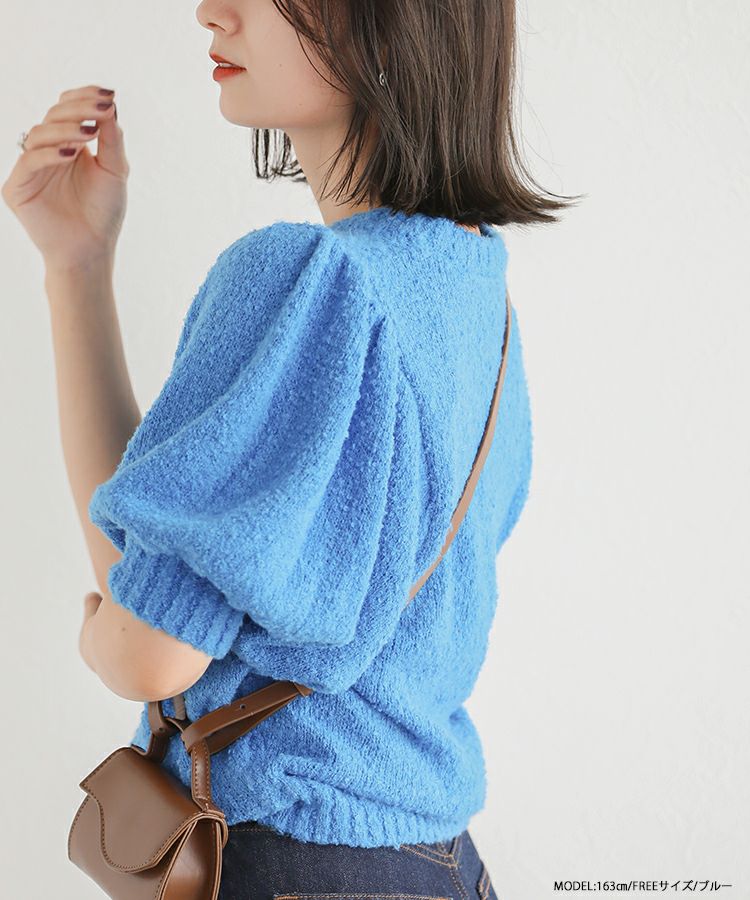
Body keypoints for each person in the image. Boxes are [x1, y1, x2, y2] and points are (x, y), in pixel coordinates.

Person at [2, 1, 582, 897]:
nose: (213, 10)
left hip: (291, 858)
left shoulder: (312, 282)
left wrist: (95, 637)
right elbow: (166, 580)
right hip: (435, 865)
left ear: (392, 20)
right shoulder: (474, 294)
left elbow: (151, 650)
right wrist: (75, 265)